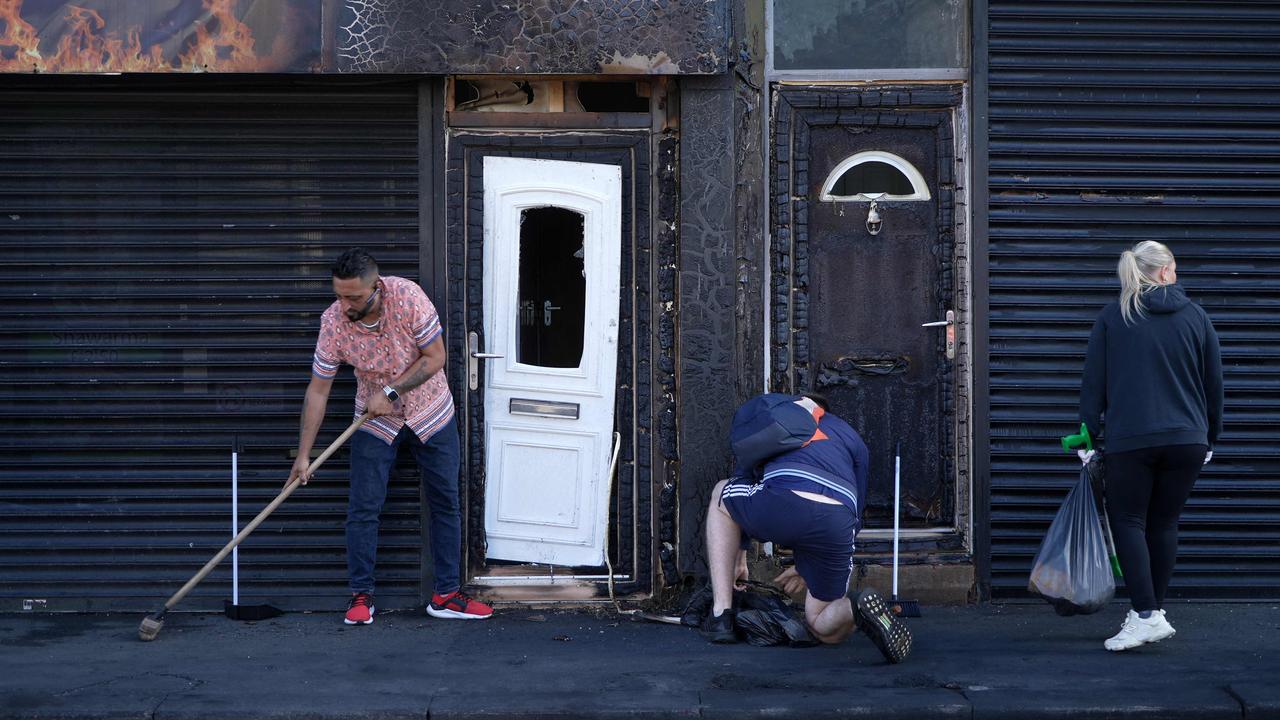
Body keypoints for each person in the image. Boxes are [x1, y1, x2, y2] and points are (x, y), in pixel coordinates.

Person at [289, 248, 493, 625]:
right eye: (338, 295)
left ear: (376, 288)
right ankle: (361, 597)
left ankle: (446, 595)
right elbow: (318, 391)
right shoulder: (333, 323)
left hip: (431, 412)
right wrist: (304, 455)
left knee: (446, 499)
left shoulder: (408, 297)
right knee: (364, 507)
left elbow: (435, 358)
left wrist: (393, 392)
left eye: (352, 297)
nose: (344, 304)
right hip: (373, 419)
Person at [1079, 240, 1223, 651]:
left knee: (1129, 521)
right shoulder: (1197, 316)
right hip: (1188, 441)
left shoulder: (1114, 316)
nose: (1176, 274)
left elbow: (1095, 383)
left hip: (1132, 440)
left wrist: (1087, 434)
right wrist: (1212, 435)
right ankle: (1152, 612)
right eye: (1174, 268)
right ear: (1162, 272)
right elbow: (1214, 383)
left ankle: (1144, 614)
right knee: (1163, 523)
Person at [703, 393, 912, 663]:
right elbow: (855, 509)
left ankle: (721, 614)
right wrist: (808, 565)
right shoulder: (851, 437)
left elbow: (744, 477)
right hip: (839, 520)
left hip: (784, 500)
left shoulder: (777, 420)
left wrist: (740, 555)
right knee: (823, 626)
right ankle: (854, 607)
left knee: (722, 493)